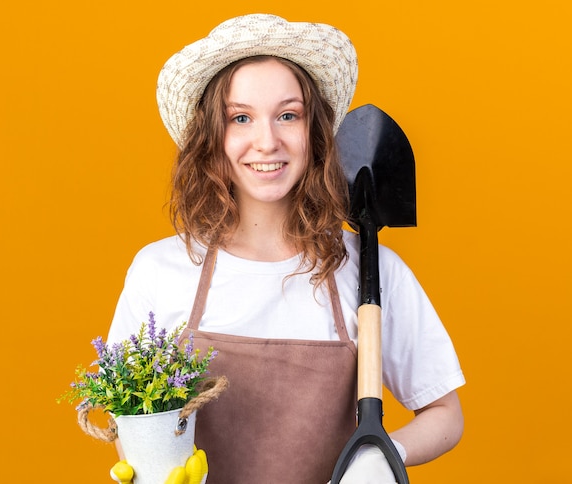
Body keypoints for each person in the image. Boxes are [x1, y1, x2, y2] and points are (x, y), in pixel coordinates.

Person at [107, 13, 465, 484]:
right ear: (212, 137)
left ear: (314, 130)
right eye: (240, 118)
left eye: (288, 115)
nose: (267, 141)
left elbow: (445, 412)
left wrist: (386, 451)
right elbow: (122, 414)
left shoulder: (368, 271)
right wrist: (150, 463)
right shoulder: (159, 270)